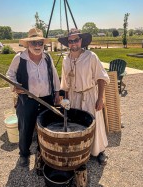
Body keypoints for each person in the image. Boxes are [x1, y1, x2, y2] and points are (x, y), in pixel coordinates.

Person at [6, 28, 60, 167]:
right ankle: (24, 154)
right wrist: (15, 86)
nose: (37, 46)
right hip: (27, 99)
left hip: (46, 98)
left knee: (46, 127)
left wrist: (57, 93)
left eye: (40, 43)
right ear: (28, 44)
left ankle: (43, 151)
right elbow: (10, 75)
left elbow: (54, 76)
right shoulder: (19, 58)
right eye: (34, 43)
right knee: (25, 128)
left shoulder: (47, 57)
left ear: (43, 44)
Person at [58, 28, 110, 165]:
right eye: (70, 41)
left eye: (76, 40)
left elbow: (101, 78)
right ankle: (80, 152)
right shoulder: (65, 60)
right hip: (74, 98)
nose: (73, 43)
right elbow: (65, 83)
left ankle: (99, 151)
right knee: (77, 125)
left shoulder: (91, 56)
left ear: (81, 41)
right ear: (67, 43)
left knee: (95, 124)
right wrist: (66, 100)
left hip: (90, 95)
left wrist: (100, 98)